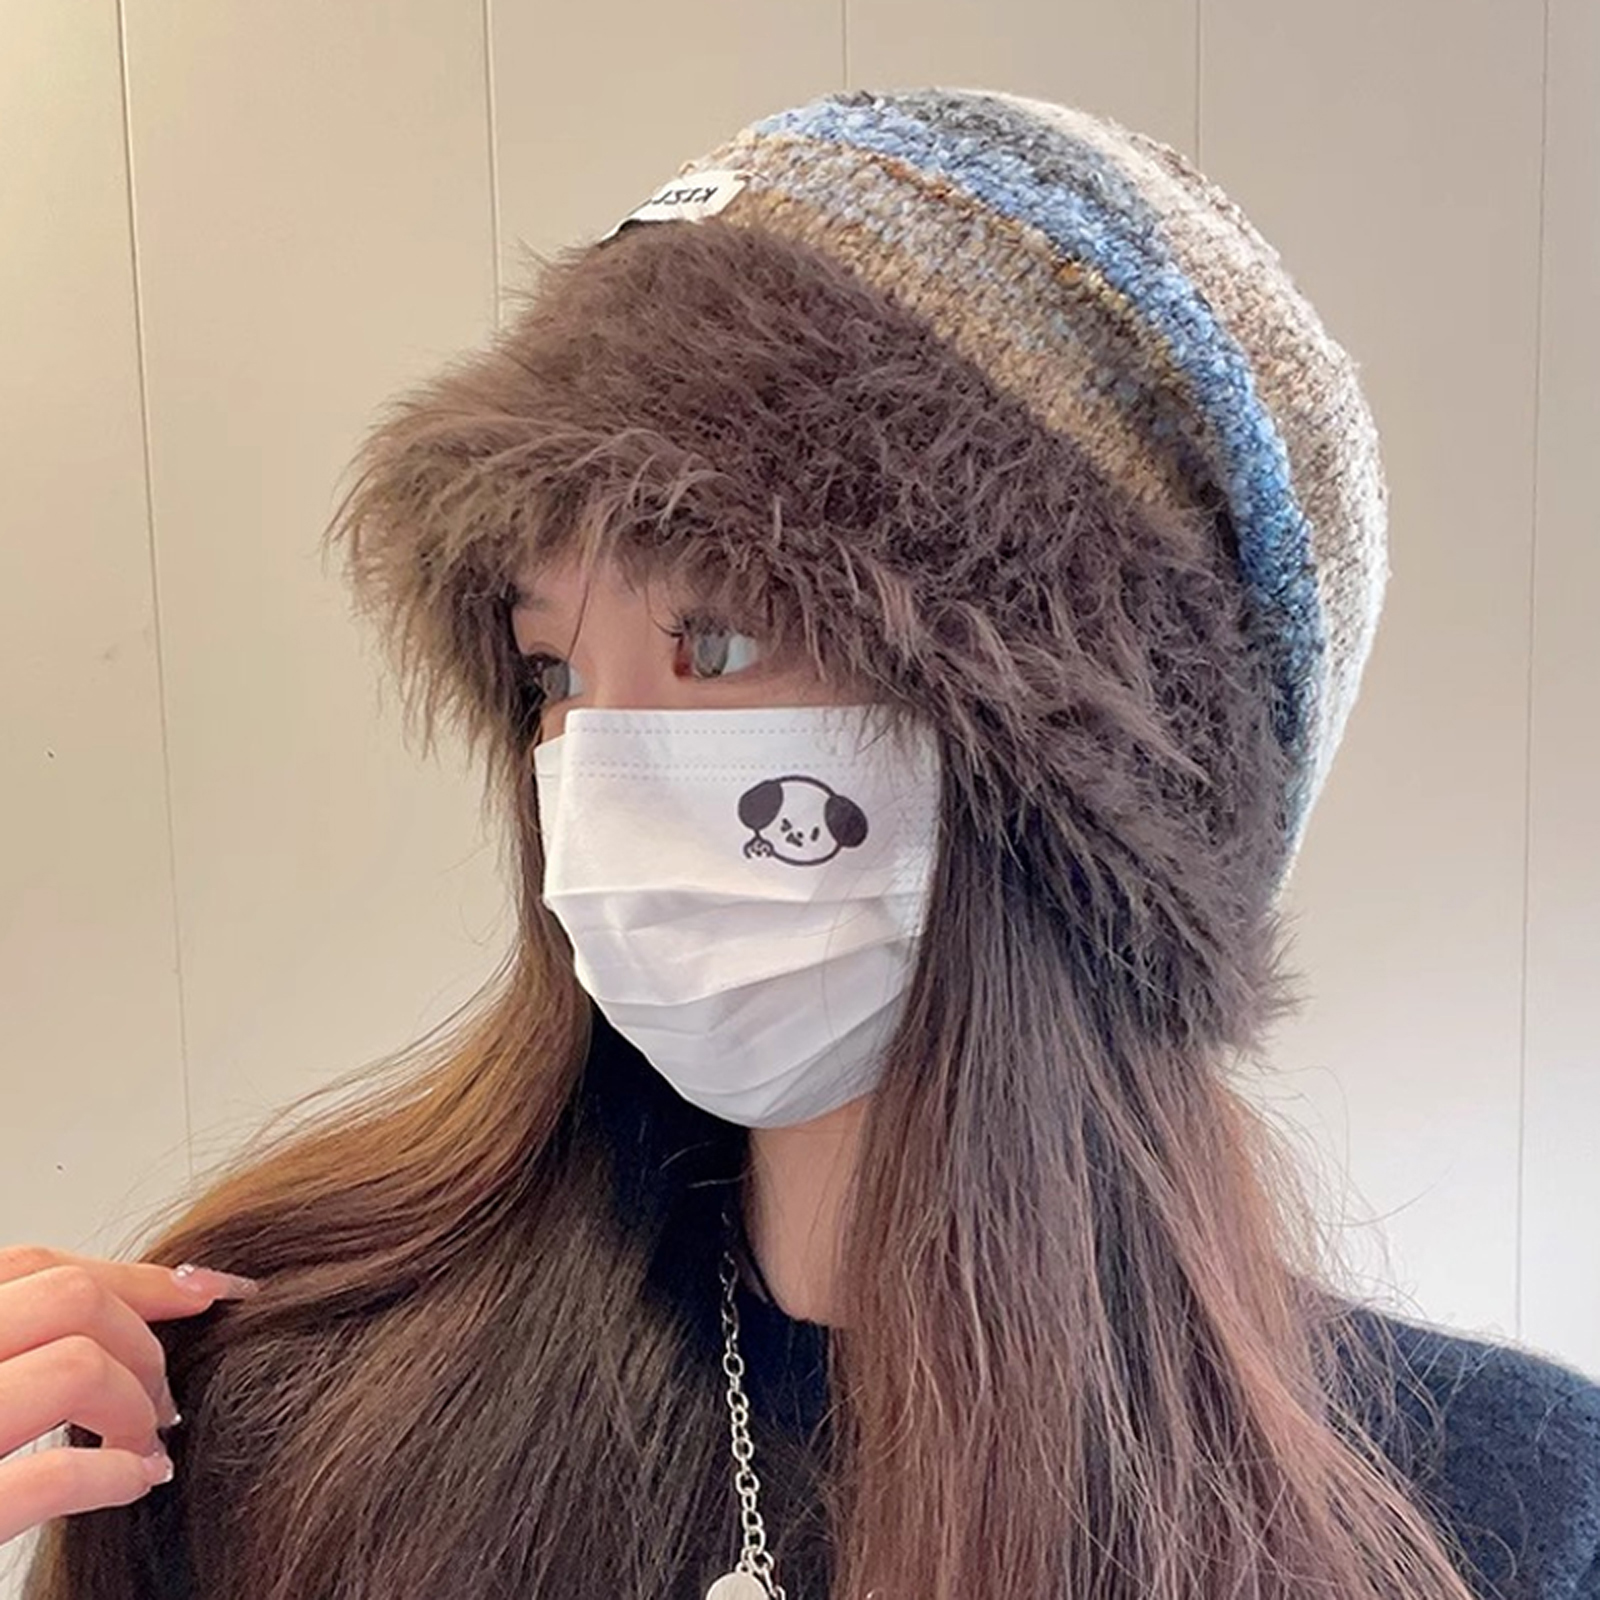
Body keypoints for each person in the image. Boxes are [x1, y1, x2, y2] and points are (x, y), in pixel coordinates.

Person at [9, 86, 1599, 1600]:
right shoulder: (284, 1414)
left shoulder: (1500, 1519)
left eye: (720, 641)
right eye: (552, 673)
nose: (597, 766)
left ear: (1079, 786)